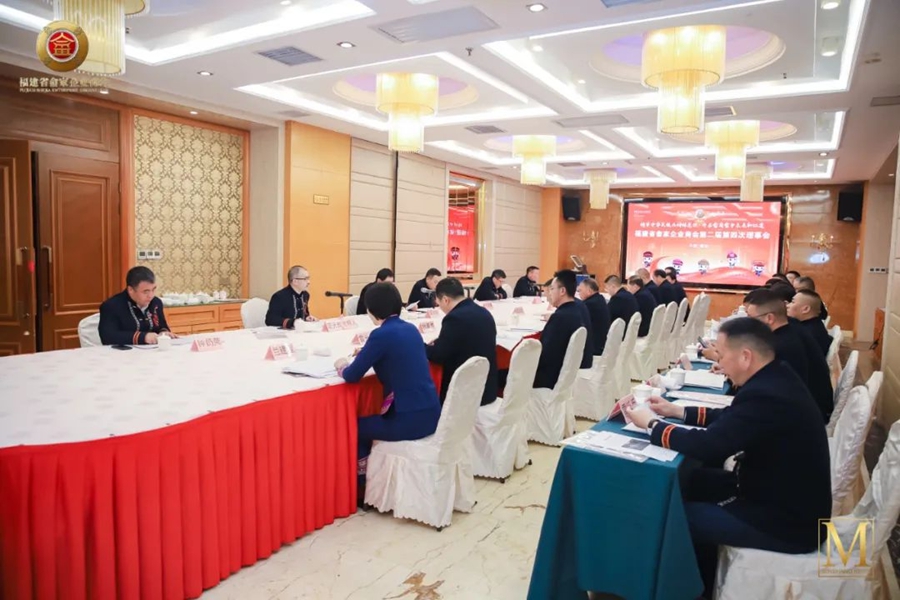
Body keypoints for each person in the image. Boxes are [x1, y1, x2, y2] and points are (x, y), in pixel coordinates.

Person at [626, 317, 831, 599]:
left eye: (721, 356)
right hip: (767, 491)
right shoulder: (776, 376)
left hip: (785, 523)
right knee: (690, 480)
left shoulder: (767, 393)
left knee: (676, 517)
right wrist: (676, 411)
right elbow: (732, 418)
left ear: (746, 356)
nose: (719, 364)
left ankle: (690, 591)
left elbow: (711, 446)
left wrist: (652, 425)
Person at [335, 283, 441, 506]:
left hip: (408, 421)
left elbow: (352, 376)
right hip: (432, 414)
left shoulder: (380, 334)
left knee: (358, 427)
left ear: (371, 310)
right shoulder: (410, 329)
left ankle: (362, 489)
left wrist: (341, 365)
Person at [745, 289, 834, 422]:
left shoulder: (783, 345)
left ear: (769, 318)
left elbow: (765, 387)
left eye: (751, 318)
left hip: (803, 416)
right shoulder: (792, 329)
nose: (748, 324)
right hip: (808, 405)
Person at [426, 277, 498, 406]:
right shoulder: (484, 312)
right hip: (488, 388)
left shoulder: (454, 318)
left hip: (464, 395)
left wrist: (421, 346)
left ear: (445, 300)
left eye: (439, 304)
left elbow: (438, 355)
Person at [533, 270, 593, 389]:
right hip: (567, 375)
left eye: (552, 289)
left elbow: (544, 354)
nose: (549, 293)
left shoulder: (559, 317)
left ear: (562, 291)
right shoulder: (577, 309)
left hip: (549, 380)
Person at [99, 266, 174, 345]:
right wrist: (143, 337)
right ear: (130, 290)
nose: (151, 295)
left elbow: (162, 327)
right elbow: (108, 337)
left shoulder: (156, 303)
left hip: (153, 351)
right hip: (124, 352)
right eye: (146, 291)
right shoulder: (112, 306)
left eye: (153, 290)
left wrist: (164, 333)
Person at [788, 289, 832, 356]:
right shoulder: (814, 324)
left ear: (806, 309)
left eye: (792, 302)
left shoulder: (807, 334)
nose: (787, 305)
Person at [577, 278, 611, 355]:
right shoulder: (600, 299)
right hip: (602, 343)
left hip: (594, 347)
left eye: (580, 290)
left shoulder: (589, 305)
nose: (578, 293)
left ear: (589, 291)